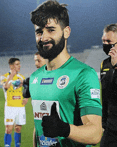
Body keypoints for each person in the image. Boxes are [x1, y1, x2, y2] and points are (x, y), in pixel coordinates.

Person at [24, 1, 102, 146]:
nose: (43, 37)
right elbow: (39, 127)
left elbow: (96, 134)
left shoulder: (83, 74)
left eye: (51, 30)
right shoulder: (35, 78)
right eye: (39, 32)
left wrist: (63, 129)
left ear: (66, 31)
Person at [0, 58, 28, 147]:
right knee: (9, 129)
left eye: (19, 64)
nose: (19, 66)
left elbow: (27, 88)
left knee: (18, 128)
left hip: (20, 107)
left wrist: (26, 98)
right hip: (10, 107)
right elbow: (6, 87)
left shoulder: (22, 77)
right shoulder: (4, 77)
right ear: (11, 66)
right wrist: (11, 75)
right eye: (17, 64)